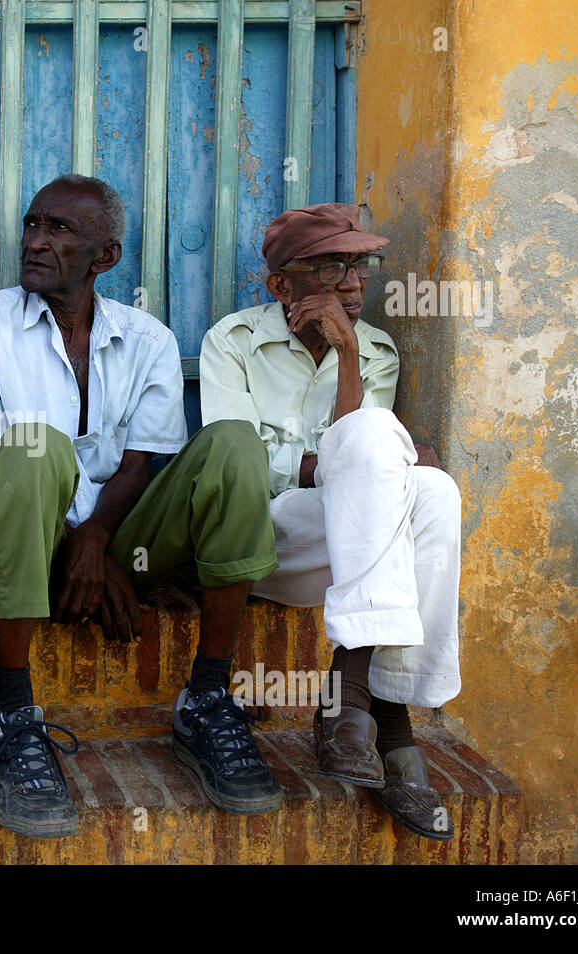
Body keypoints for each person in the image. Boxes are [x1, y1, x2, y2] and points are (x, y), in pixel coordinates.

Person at [0, 175, 283, 838]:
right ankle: (11, 710)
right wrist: (70, 547)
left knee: (235, 444)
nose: (36, 241)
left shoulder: (145, 337)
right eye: (33, 225)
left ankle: (207, 697)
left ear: (106, 257)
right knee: (33, 446)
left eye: (59, 230)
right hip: (26, 541)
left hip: (123, 538)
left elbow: (139, 463)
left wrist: (96, 541)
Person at [198, 202, 461, 840]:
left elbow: (358, 468)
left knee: (434, 491)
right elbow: (243, 469)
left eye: (359, 265)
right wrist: (336, 459)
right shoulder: (232, 342)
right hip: (262, 542)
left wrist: (347, 360)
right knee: (388, 454)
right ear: (281, 285)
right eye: (329, 268)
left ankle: (360, 712)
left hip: (345, 550)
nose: (351, 283)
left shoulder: (373, 351)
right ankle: (386, 723)